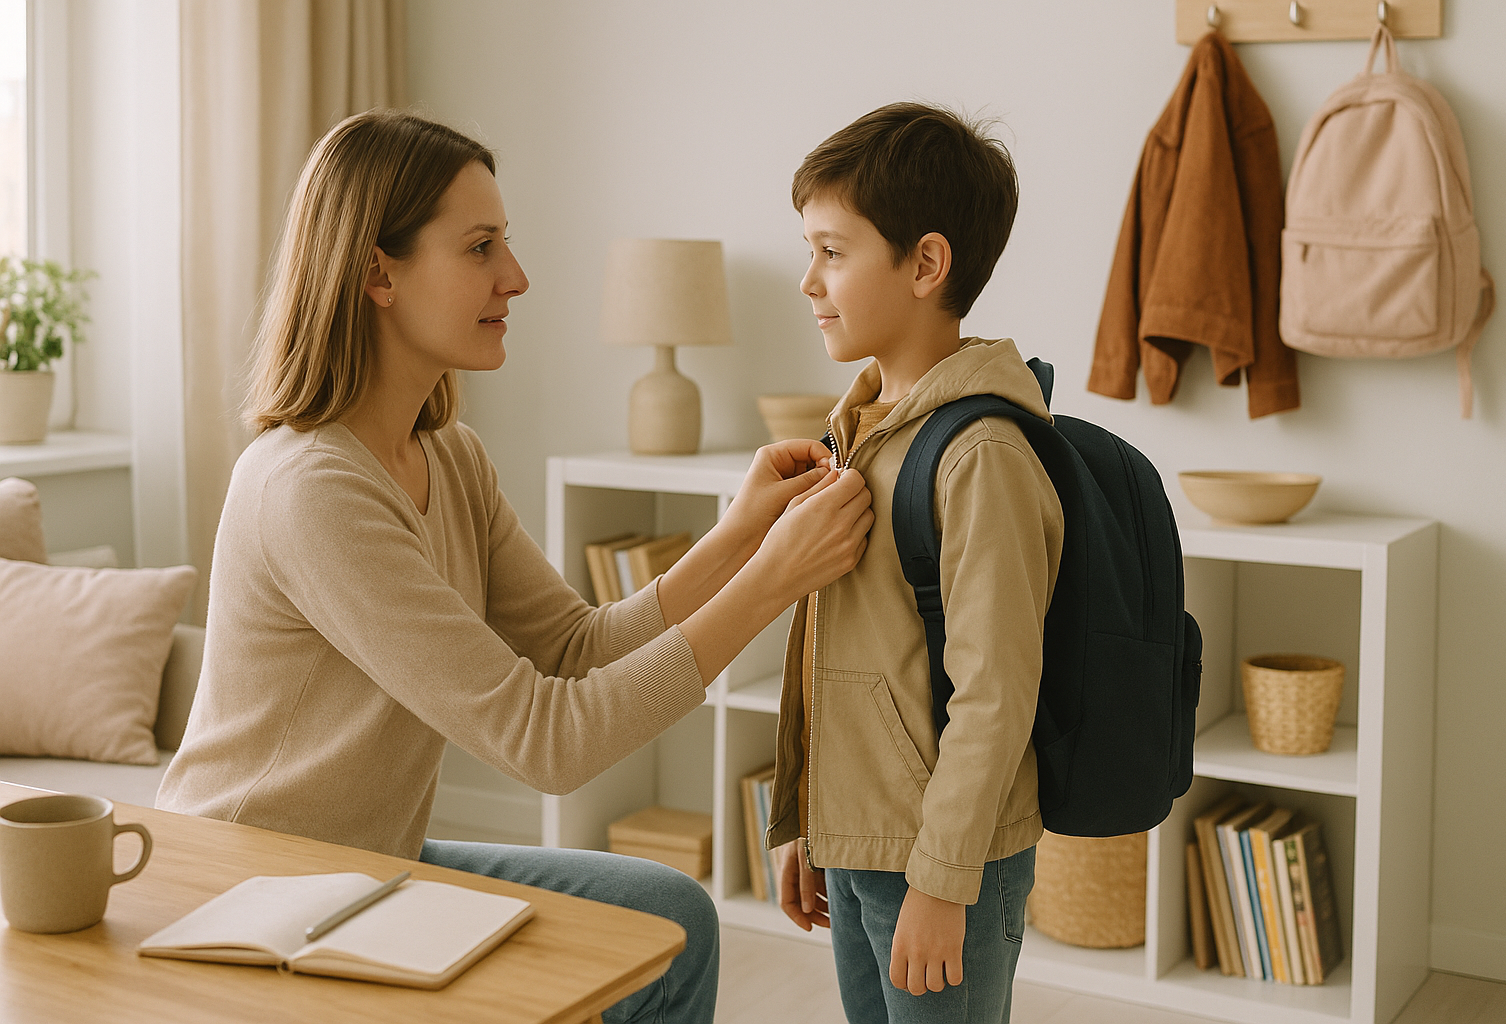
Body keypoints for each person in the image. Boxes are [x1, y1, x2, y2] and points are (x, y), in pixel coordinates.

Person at [157, 109, 874, 1024]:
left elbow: (574, 647)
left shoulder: (448, 455)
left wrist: (737, 536)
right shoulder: (311, 489)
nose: (516, 276)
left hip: (368, 867)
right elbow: (549, 741)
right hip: (246, 892)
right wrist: (773, 580)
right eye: (481, 246)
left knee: (672, 919)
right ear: (377, 270)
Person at [766, 103, 1065, 1024]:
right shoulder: (854, 432)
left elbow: (997, 692)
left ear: (926, 264)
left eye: (832, 251)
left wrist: (943, 881)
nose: (808, 280)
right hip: (858, 842)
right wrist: (802, 819)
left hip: (943, 863)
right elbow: (821, 647)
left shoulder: (980, 456)